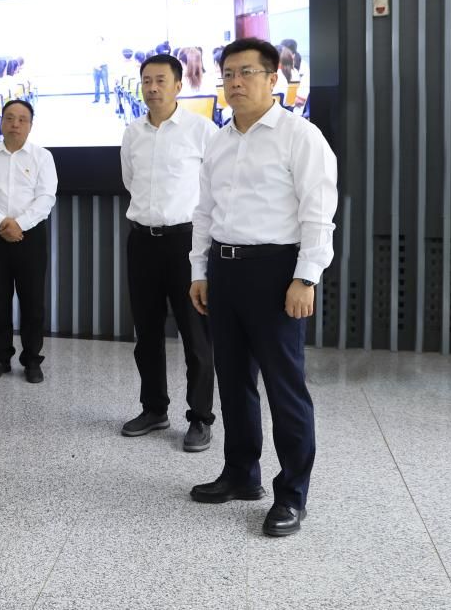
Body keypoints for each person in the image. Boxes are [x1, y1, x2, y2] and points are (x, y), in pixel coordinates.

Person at [187, 37, 338, 538]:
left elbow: (319, 213)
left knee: (284, 387)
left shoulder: (300, 136)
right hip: (225, 270)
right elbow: (204, 212)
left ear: (273, 78)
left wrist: (305, 277)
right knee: (232, 381)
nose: (235, 82)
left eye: (246, 72)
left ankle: (292, 495)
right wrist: (200, 271)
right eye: (228, 74)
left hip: (277, 273)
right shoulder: (219, 140)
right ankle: (240, 474)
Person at [118, 55, 218, 452]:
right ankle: (154, 408)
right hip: (142, 241)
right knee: (146, 332)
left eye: (160, 80)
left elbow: (216, 187)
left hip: (186, 242)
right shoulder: (132, 132)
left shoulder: (201, 130)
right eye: (146, 81)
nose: (152, 87)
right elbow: (130, 181)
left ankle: (200, 418)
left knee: (196, 334)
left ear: (178, 85)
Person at [0, 99, 57, 383]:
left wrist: (19, 225)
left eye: (22, 119)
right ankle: (0, 358)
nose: (15, 124)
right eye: (9, 118)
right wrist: (2, 223)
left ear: (30, 125)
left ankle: (32, 360)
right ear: (1, 123)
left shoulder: (42, 157)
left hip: (30, 237)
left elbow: (46, 198)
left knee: (33, 303)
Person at [92, 36, 111, 104]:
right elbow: (91, 58)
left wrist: (99, 66)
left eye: (99, 39)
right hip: (95, 68)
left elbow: (106, 59)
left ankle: (107, 99)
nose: (98, 41)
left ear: (102, 40)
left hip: (103, 67)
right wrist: (95, 66)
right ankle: (97, 99)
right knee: (96, 85)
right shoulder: (94, 48)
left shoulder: (105, 48)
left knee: (105, 84)